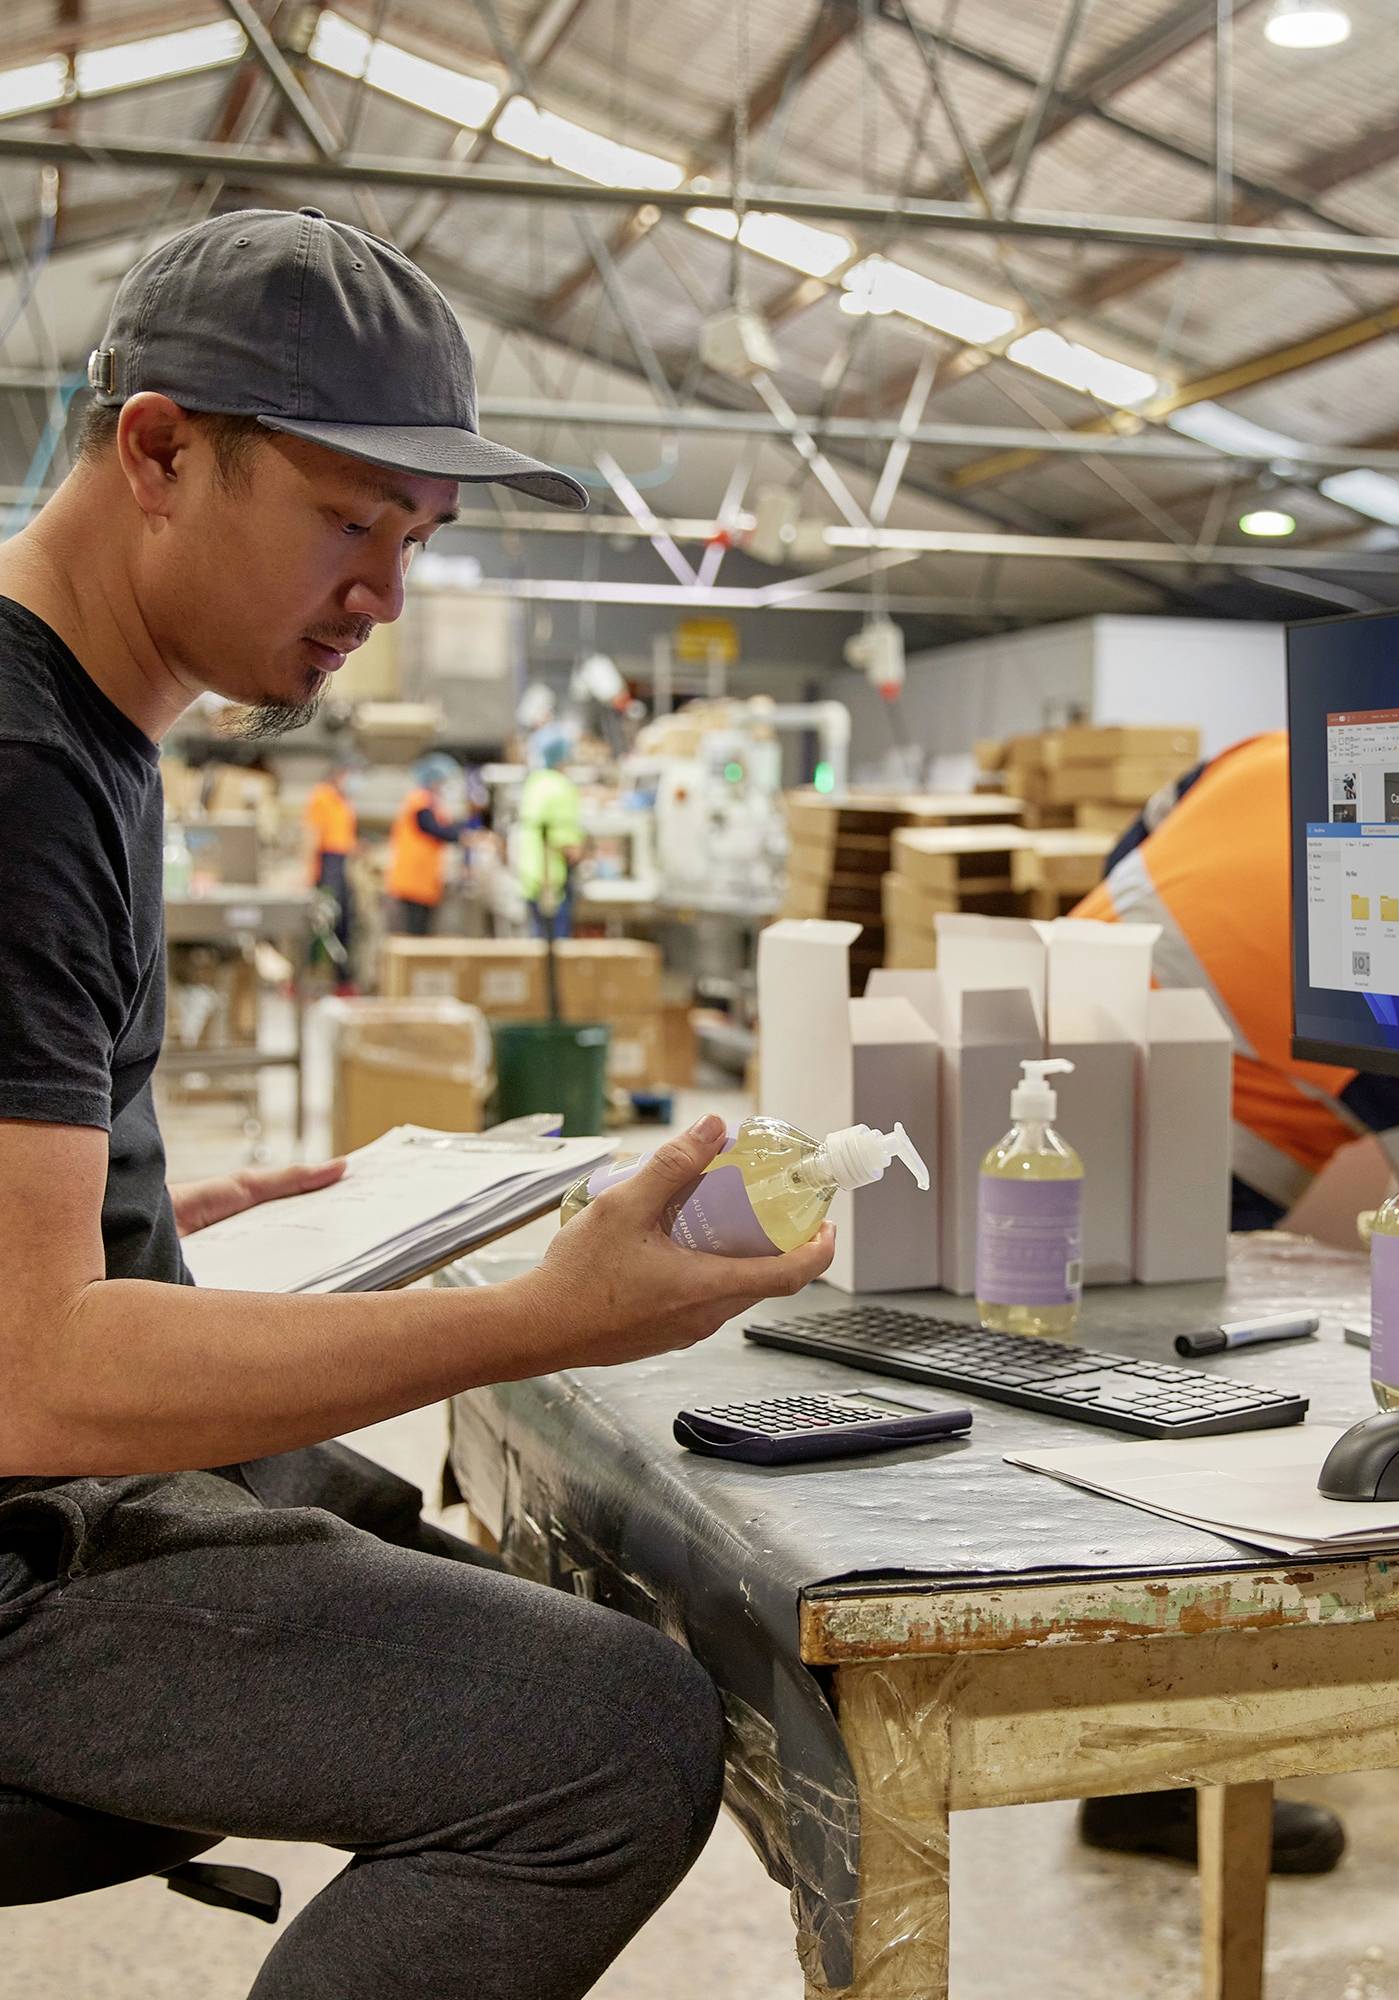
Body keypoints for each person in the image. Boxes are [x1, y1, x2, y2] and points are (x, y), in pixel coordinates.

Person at [0, 206, 834, 2000]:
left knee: (496, 1580)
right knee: (608, 1733)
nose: (388, 594)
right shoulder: (16, 768)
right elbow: (31, 1372)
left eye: (420, 537)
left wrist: (141, 1222)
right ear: (157, 450)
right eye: (351, 522)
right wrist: (540, 1318)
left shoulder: (90, 727)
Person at [1067, 731, 1399, 1877]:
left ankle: (1147, 1757)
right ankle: (1158, 1775)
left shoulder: (1290, 744)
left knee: (1152, 1381)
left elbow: (1144, 828)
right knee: (1196, 1410)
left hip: (1079, 991)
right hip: (1187, 1065)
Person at [385, 752, 472, 935]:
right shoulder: (419, 800)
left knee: (422, 928)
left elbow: (444, 826)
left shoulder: (431, 802)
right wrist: (461, 837)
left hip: (424, 878)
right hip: (413, 878)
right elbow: (430, 827)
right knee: (414, 929)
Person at [517, 725, 585, 940]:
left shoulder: (534, 783)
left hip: (530, 874)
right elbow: (565, 841)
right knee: (556, 949)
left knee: (538, 943)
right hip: (551, 876)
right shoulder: (561, 787)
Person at [303, 754, 360, 986]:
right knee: (324, 923)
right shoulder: (322, 797)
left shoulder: (342, 801)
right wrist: (309, 872)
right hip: (327, 863)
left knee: (344, 920)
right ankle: (306, 977)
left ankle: (341, 980)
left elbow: (344, 836)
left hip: (341, 861)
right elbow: (312, 835)